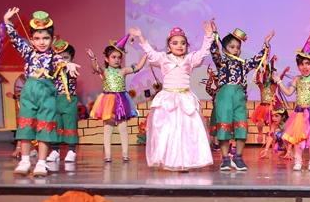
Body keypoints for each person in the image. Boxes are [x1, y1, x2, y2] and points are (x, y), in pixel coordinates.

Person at [0, 9, 79, 177]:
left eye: (46, 38)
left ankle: (42, 163)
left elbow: (61, 62)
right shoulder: (28, 52)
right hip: (29, 91)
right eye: (37, 38)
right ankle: (25, 161)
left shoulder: (54, 56)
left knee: (45, 126)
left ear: (52, 39)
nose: (41, 42)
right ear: (32, 39)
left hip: (46, 93)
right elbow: (15, 38)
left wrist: (68, 65)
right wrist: (7, 21)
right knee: (25, 125)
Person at [129, 22, 214, 172]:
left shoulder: (190, 59)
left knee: (187, 131)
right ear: (168, 46)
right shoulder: (163, 58)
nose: (179, 46)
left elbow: (203, 53)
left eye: (182, 43)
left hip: (185, 99)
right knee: (168, 131)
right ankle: (170, 160)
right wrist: (140, 36)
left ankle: (185, 161)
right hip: (168, 100)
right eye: (175, 43)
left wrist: (208, 35)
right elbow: (150, 53)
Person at [209, 20, 274, 172]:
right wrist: (214, 34)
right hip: (224, 97)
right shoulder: (221, 62)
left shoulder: (243, 64)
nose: (236, 50)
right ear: (225, 49)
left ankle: (238, 157)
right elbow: (214, 51)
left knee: (241, 126)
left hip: (239, 97)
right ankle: (225, 159)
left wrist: (266, 43)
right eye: (232, 47)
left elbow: (258, 59)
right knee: (224, 126)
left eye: (238, 48)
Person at [87, 36, 148, 162]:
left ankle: (125, 153)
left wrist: (147, 54)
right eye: (113, 57)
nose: (117, 60)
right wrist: (93, 58)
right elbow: (95, 68)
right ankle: (108, 154)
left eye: (119, 58)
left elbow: (138, 67)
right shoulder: (104, 71)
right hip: (107, 101)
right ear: (107, 59)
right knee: (107, 128)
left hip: (121, 100)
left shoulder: (123, 71)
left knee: (123, 128)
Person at [276, 36, 310, 171]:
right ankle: (298, 160)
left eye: (308, 63)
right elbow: (289, 92)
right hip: (299, 113)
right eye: (301, 64)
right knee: (297, 138)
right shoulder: (297, 79)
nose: (304, 67)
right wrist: (279, 82)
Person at [45, 40, 80, 165]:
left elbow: (70, 73)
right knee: (56, 124)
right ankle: (55, 150)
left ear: (72, 58)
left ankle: (71, 150)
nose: (63, 61)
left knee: (70, 124)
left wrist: (67, 65)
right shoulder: (53, 70)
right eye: (61, 58)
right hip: (55, 100)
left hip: (68, 100)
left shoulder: (72, 68)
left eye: (66, 58)